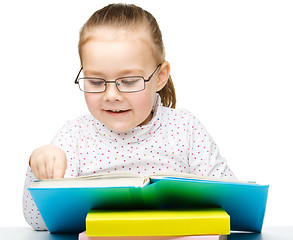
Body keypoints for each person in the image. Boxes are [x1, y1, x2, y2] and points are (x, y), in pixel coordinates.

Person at [23, 3, 236, 231]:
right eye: (96, 82)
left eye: (129, 81)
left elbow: (232, 207)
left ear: (160, 77)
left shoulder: (185, 129)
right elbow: (39, 223)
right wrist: (38, 170)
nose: (111, 95)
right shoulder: (73, 137)